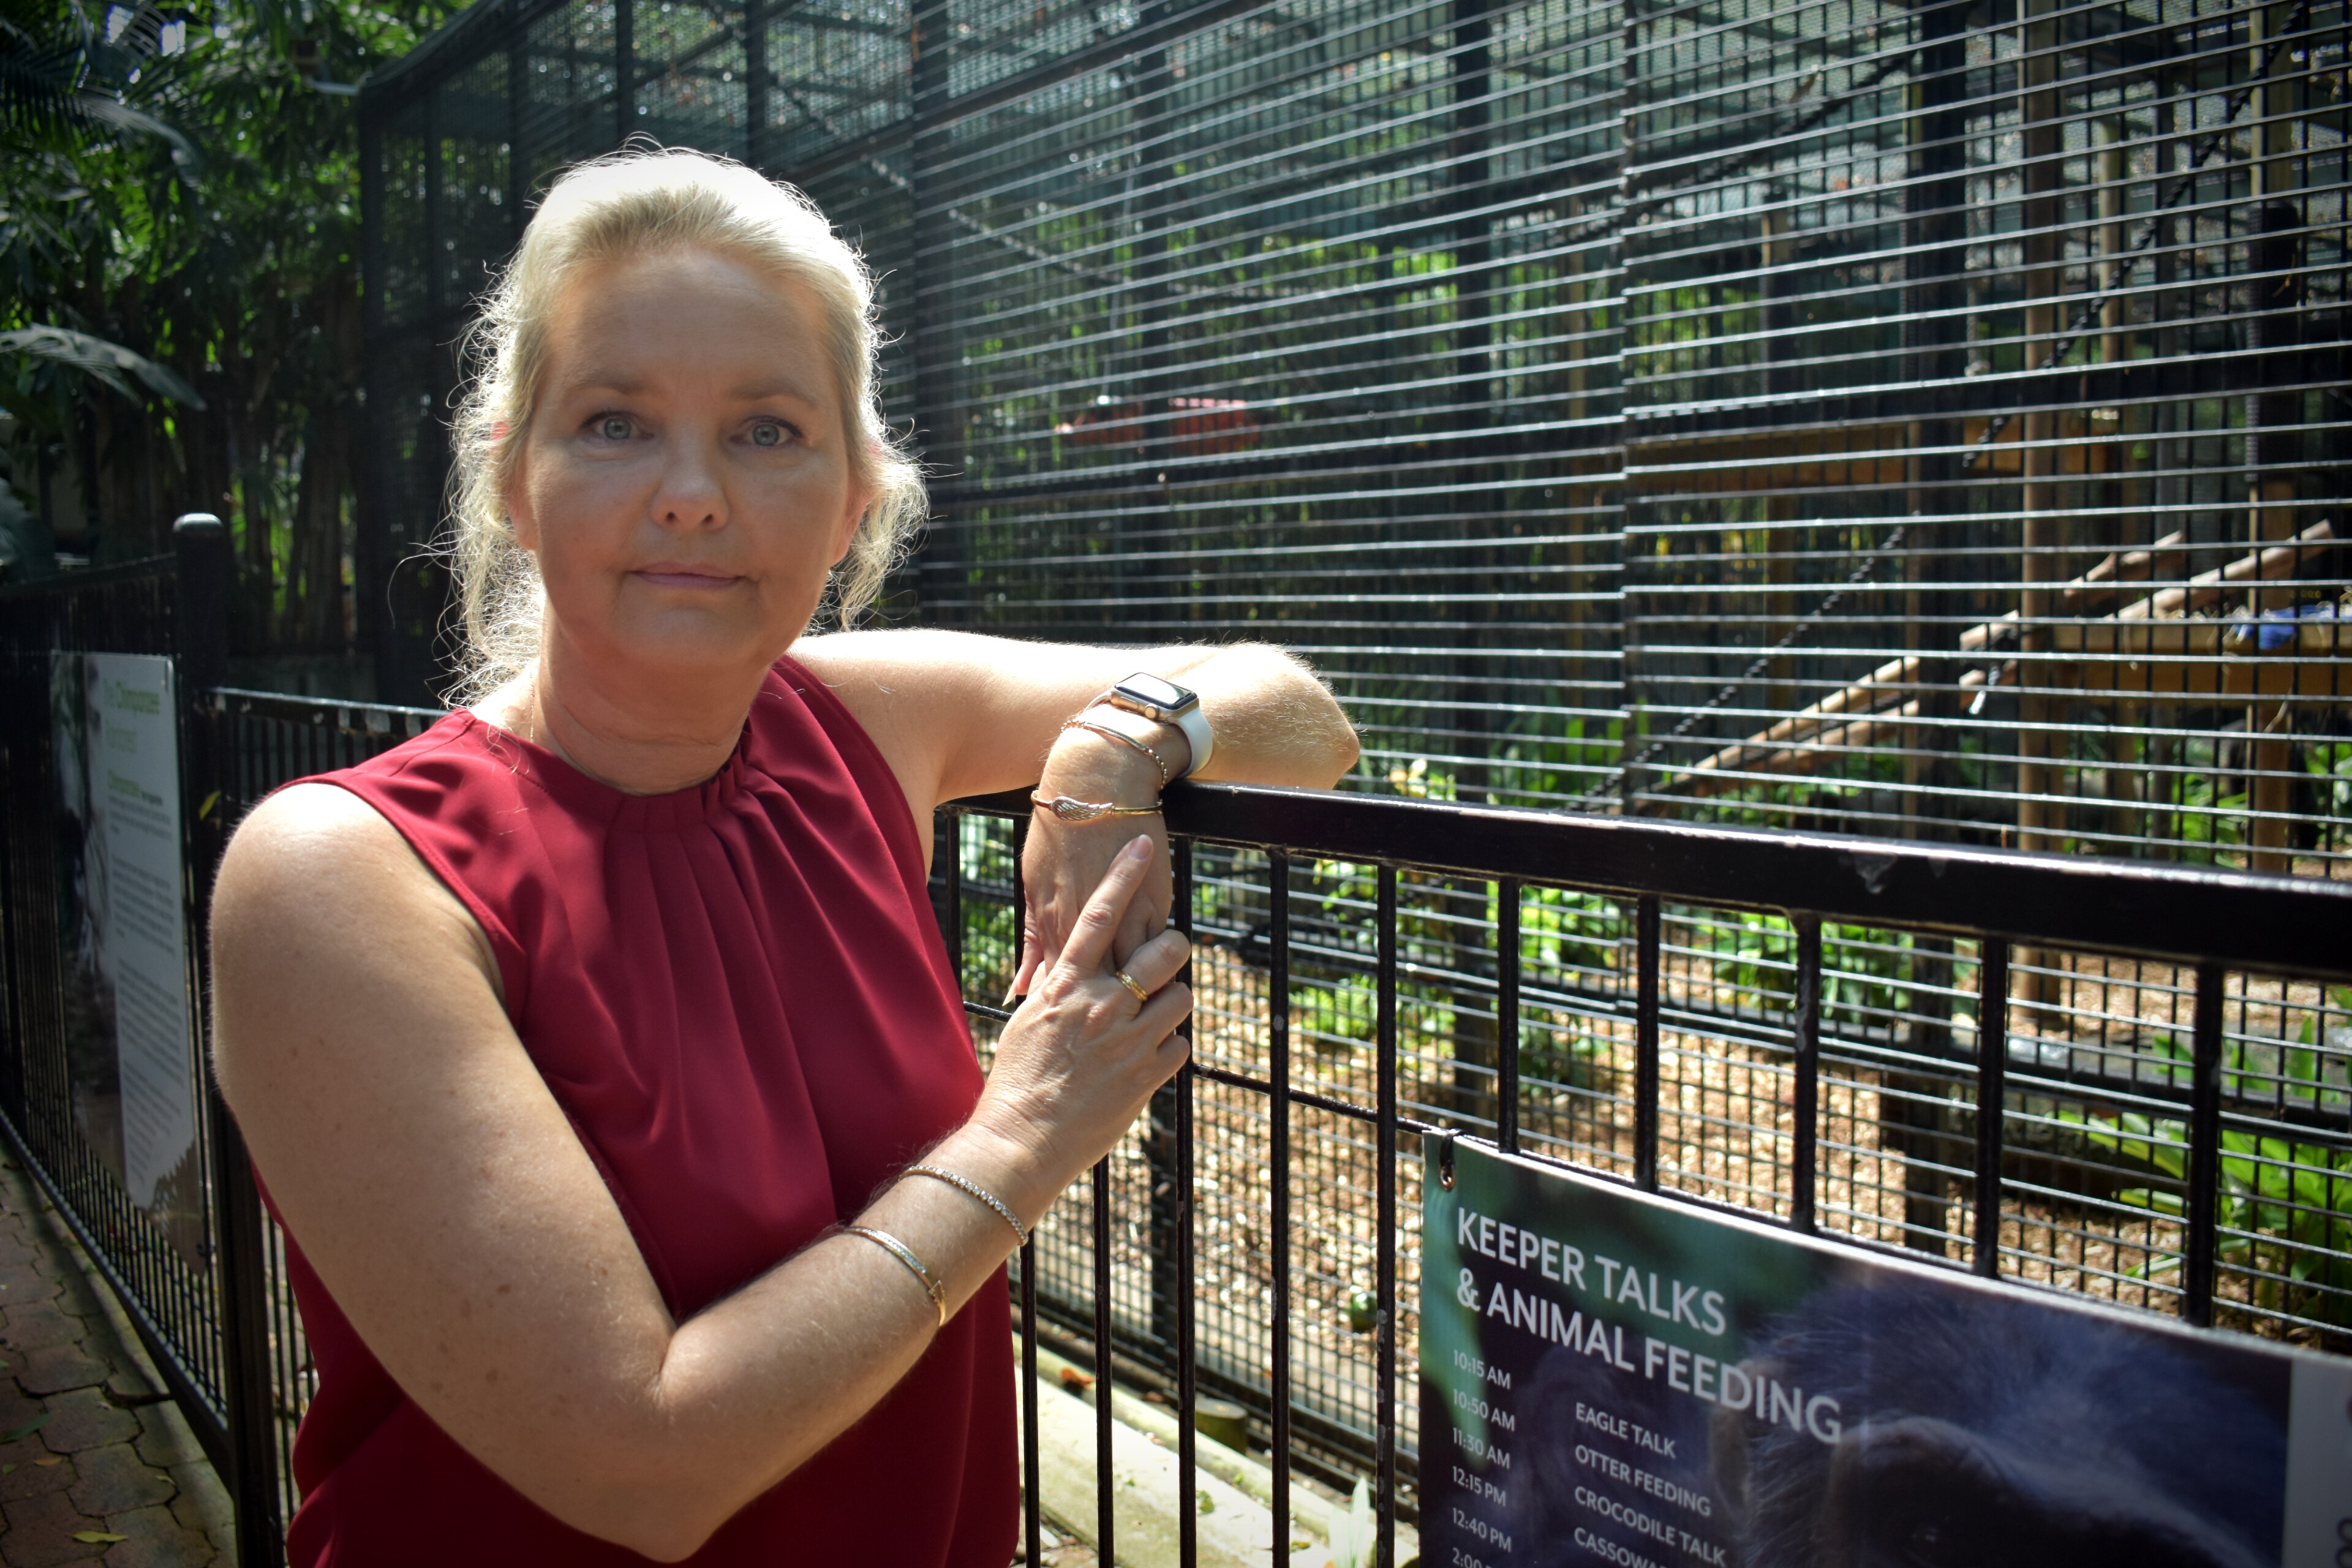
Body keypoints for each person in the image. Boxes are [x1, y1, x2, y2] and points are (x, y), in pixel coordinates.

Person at [209, 148, 1358, 1564]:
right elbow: (645, 1464)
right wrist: (1024, 1133)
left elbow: (1300, 715)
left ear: (854, 495)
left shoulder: (867, 719)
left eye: (766, 432)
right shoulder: (342, 874)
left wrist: (1114, 747)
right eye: (617, 422)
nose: (693, 493)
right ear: (514, 476)